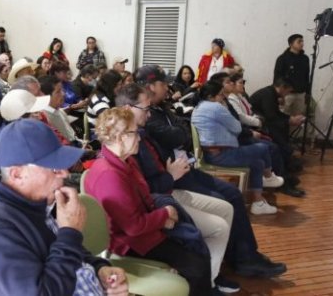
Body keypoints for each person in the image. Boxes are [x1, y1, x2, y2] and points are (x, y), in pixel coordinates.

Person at [115, 84, 287, 281]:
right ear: (129, 108)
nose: (149, 113)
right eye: (145, 108)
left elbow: (184, 132)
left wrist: (172, 169)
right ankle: (232, 263)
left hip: (177, 174)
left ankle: (240, 258)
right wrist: (171, 176)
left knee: (231, 194)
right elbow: (145, 190)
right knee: (225, 201)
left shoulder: (149, 123)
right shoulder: (130, 142)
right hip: (169, 187)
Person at [0, 118, 129, 296]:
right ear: (17, 174)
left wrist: (99, 269)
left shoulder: (36, 202)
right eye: (54, 168)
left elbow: (67, 252)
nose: (65, 173)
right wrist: (70, 232)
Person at [85, 107, 212, 295]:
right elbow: (133, 227)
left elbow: (142, 200)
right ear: (120, 138)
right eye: (135, 133)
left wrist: (163, 216)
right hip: (128, 242)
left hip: (143, 228)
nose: (139, 138)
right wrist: (165, 215)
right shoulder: (109, 175)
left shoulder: (124, 161)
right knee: (197, 265)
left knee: (193, 243)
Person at [192, 80, 284, 215]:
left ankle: (258, 203)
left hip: (213, 153)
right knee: (264, 148)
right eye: (221, 95)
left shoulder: (199, 106)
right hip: (222, 155)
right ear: (212, 96)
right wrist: (224, 108)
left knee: (257, 163)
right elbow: (237, 127)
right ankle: (269, 177)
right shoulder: (215, 108)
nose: (223, 97)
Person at [0, 88, 50, 187]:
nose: (40, 117)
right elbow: (11, 188)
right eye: (35, 113)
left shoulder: (22, 134)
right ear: (19, 119)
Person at [249, 78, 305, 170]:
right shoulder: (268, 95)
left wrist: (290, 118)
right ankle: (285, 158)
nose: (287, 94)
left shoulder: (271, 93)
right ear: (282, 87)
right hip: (258, 123)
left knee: (281, 126)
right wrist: (289, 121)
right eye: (288, 91)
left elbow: (275, 114)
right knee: (276, 128)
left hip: (263, 120)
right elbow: (271, 117)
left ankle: (286, 156)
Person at [274, 33, 310, 116]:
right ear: (291, 44)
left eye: (302, 41)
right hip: (286, 95)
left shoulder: (305, 58)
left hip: (301, 94)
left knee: (298, 119)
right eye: (299, 41)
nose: (302, 43)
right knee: (283, 118)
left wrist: (308, 93)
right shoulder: (282, 58)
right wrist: (278, 95)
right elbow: (277, 77)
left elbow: (307, 76)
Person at [39, 75, 78, 144]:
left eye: (62, 89)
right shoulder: (45, 118)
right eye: (58, 92)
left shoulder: (60, 111)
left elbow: (71, 135)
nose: (63, 94)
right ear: (46, 96)